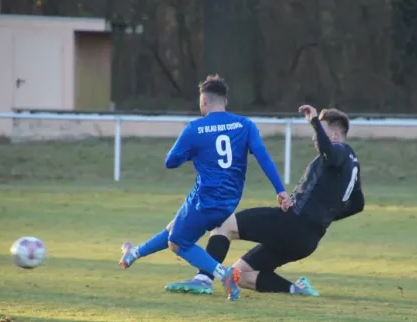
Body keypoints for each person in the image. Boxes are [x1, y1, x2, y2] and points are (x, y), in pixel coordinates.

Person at [119, 74, 289, 301]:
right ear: (225, 101)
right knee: (174, 227)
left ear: (203, 102)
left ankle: (223, 274)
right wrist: (280, 190)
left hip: (206, 197)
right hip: (228, 200)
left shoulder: (195, 129)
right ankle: (134, 254)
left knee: (178, 242)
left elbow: (170, 162)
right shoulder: (245, 125)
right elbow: (264, 158)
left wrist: (191, 153)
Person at [165, 104, 365, 296]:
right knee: (239, 276)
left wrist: (313, 119)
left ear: (336, 135)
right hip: (309, 238)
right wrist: (323, 216)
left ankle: (203, 280)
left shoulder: (340, 150)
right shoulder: (351, 164)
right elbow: (358, 204)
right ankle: (297, 289)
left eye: (319, 131)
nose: (315, 136)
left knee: (222, 225)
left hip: (293, 223)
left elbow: (330, 154)